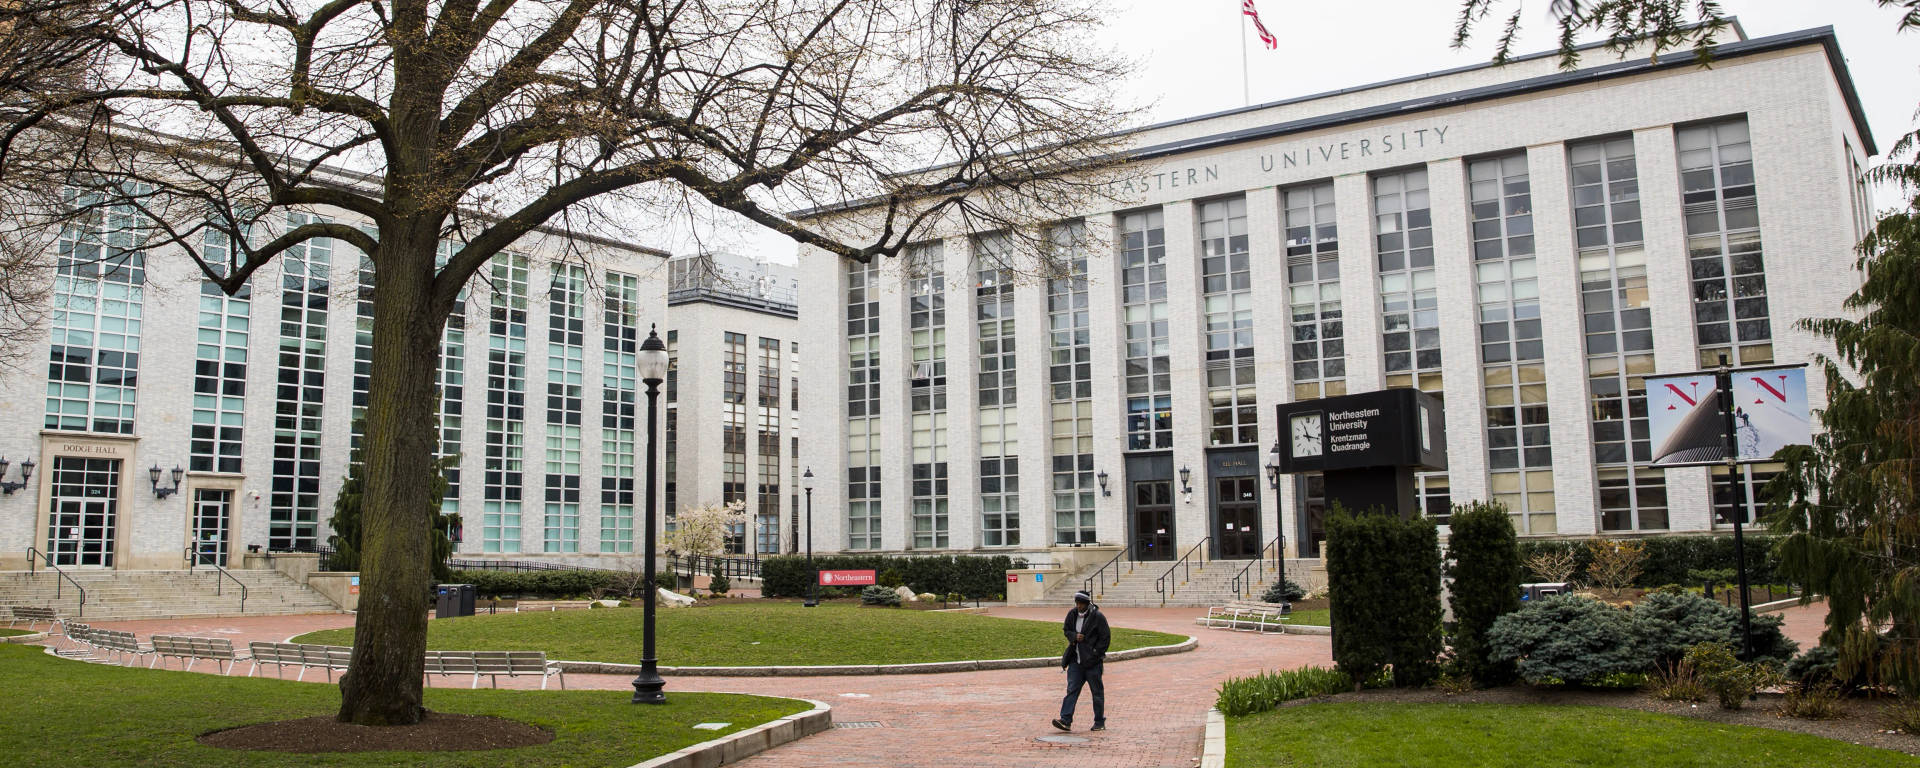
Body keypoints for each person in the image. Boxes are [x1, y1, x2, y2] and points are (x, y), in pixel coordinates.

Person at [1052, 591, 1109, 732]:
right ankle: (1065, 720)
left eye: (1081, 604)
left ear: (1087, 603)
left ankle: (1099, 722)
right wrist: (1074, 636)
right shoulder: (1072, 614)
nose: (1079, 606)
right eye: (1077, 603)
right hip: (1075, 661)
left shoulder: (1097, 616)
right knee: (1072, 690)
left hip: (1092, 663)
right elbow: (1066, 630)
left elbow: (1105, 637)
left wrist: (1096, 654)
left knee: (1097, 693)